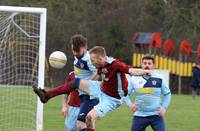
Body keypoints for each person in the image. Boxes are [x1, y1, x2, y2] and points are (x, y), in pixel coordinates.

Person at [33, 46, 151, 131]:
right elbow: (97, 75)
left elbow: (131, 70)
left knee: (89, 118)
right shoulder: (101, 64)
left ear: (100, 59)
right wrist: (87, 84)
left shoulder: (116, 64)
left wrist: (144, 71)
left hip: (112, 99)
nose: (92, 63)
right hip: (100, 88)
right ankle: (46, 96)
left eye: (93, 60)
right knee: (76, 82)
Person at [123, 55, 171, 131]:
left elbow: (167, 94)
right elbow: (125, 94)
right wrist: (130, 105)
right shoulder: (134, 79)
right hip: (139, 115)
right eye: (145, 63)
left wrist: (164, 107)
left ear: (153, 65)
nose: (147, 65)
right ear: (141, 65)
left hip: (156, 115)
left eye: (149, 63)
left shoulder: (159, 78)